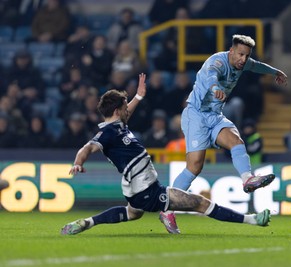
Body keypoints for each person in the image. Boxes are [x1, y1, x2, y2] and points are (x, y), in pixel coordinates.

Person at [60, 74, 271, 235]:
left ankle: (86, 223)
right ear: (117, 110)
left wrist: (139, 96)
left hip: (136, 189)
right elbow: (87, 148)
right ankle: (252, 220)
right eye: (124, 106)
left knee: (132, 213)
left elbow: (127, 112)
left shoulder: (117, 124)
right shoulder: (106, 133)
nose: (128, 109)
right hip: (146, 190)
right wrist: (78, 162)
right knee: (200, 203)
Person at [159, 35, 287, 233]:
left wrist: (275, 72)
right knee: (194, 167)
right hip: (196, 115)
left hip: (215, 116)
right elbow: (211, 75)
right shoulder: (217, 61)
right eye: (240, 54)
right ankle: (166, 209)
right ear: (231, 51)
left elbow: (256, 66)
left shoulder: (243, 63)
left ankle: (247, 179)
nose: (243, 59)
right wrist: (216, 88)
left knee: (236, 141)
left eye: (246, 55)